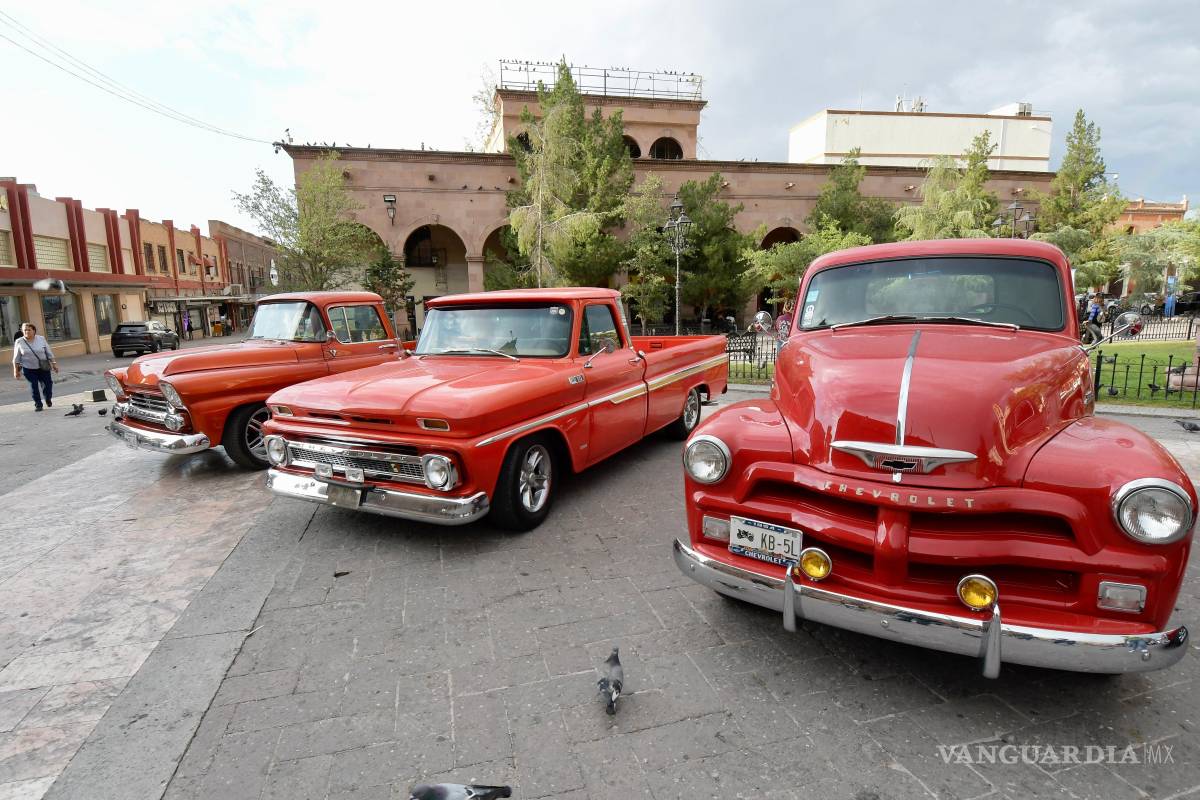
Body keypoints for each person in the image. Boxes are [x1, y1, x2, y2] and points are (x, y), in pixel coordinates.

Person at [11, 322, 59, 412]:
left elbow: (48, 352)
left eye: (29, 330)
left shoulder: (41, 339)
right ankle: (38, 404)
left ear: (34, 331)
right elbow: (16, 358)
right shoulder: (19, 341)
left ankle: (48, 398)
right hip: (28, 368)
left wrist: (54, 364)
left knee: (48, 384)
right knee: (34, 386)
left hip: (43, 367)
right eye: (25, 330)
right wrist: (15, 371)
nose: (27, 331)